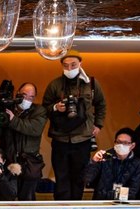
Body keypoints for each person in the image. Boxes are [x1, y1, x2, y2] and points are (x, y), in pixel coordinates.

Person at [42, 50, 107, 200]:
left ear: (80, 64)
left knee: (79, 177)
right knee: (61, 176)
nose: (69, 69)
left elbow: (101, 104)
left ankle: (76, 207)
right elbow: (44, 108)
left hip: (83, 138)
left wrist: (98, 125)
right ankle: (61, 208)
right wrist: (55, 107)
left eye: (73, 65)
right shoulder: (55, 84)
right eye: (66, 66)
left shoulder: (91, 83)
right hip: (60, 139)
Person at [0, 82, 48, 201]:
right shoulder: (7, 109)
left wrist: (13, 120)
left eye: (31, 97)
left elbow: (34, 129)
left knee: (27, 199)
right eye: (24, 95)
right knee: (6, 197)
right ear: (17, 94)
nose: (27, 99)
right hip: (9, 161)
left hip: (29, 163)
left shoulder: (39, 110)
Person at [84, 127, 140, 200]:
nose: (121, 145)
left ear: (132, 145)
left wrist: (105, 194)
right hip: (101, 203)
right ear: (115, 143)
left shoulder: (137, 163)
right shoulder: (104, 157)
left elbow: (132, 192)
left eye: (125, 143)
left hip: (124, 205)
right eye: (118, 142)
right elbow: (87, 180)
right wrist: (93, 162)